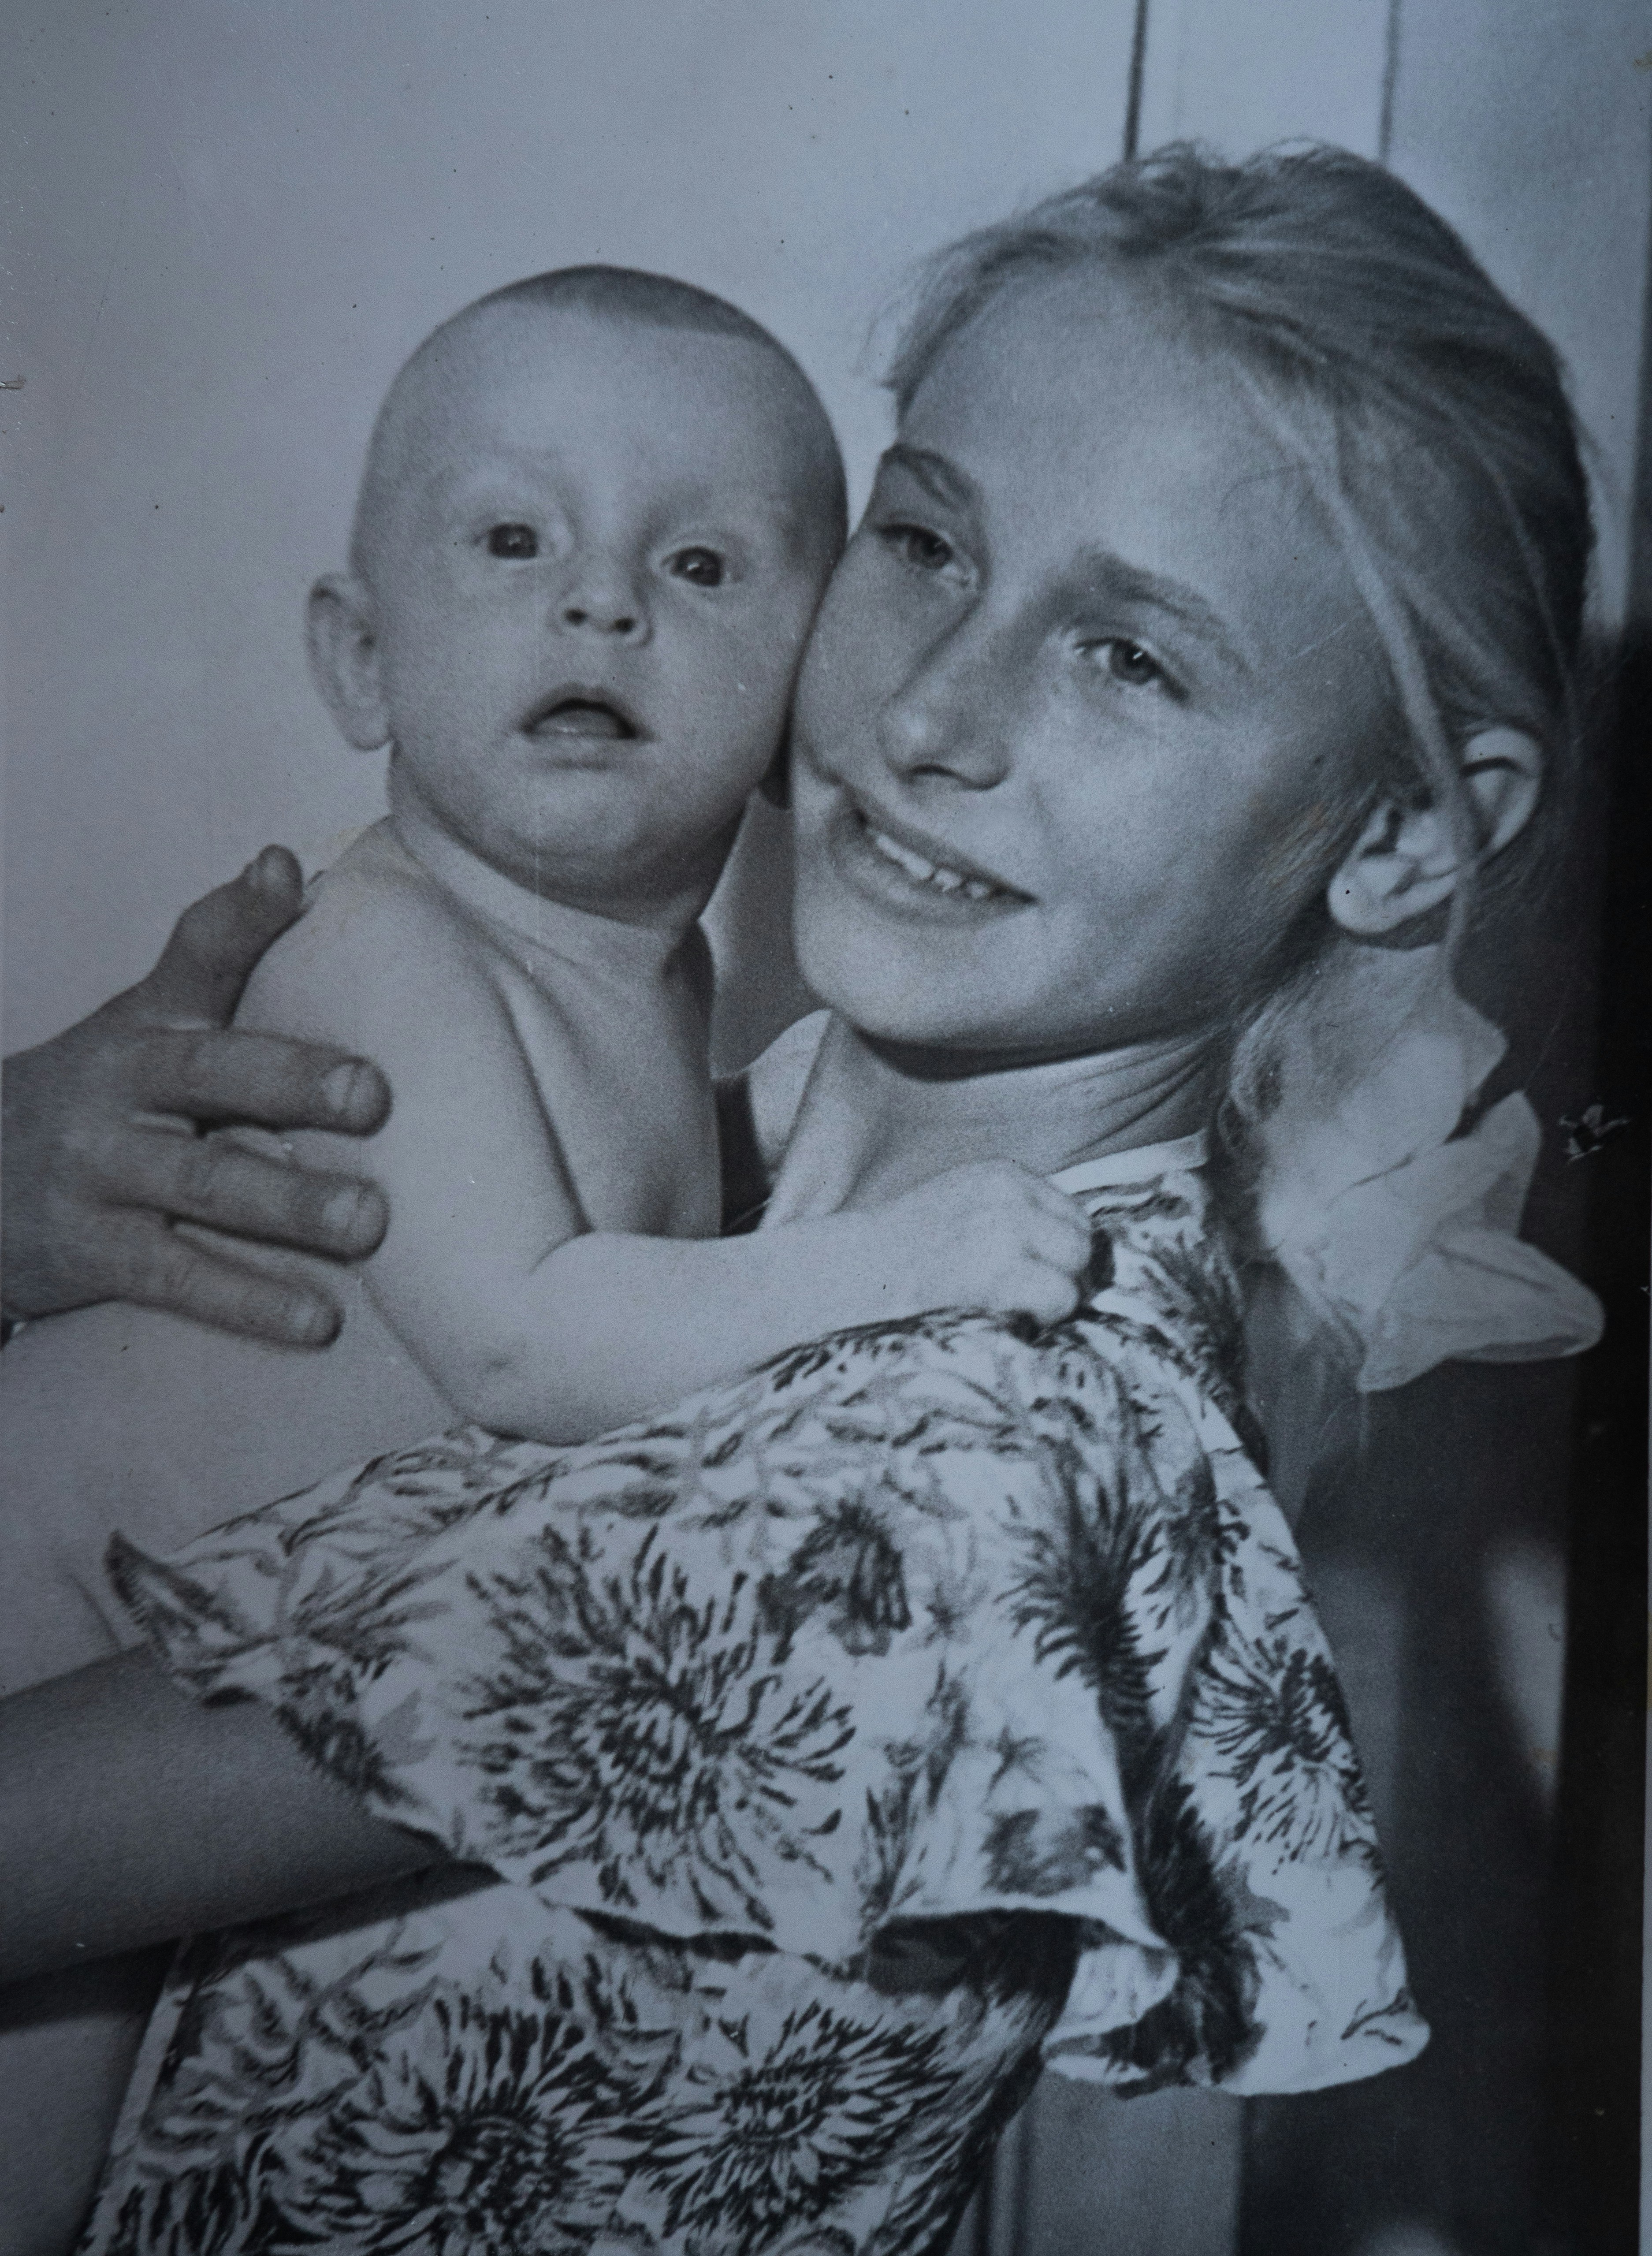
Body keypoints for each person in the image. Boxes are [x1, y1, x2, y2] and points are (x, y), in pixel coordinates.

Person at [0, 144, 1604, 2256]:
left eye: (1129, 658)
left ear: (1400, 835)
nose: (932, 716)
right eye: (929, 541)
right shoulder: (694, 1159)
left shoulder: (938, 1471)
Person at [1, 265, 1099, 2246]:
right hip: (36, 1612)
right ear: (360, 659)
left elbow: (625, 1254)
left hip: (160, 1655)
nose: (602, 602)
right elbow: (524, 1342)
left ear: (800, 706)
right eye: (513, 539)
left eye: (696, 563)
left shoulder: (648, 981)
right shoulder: (383, 941)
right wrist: (906, 1254)